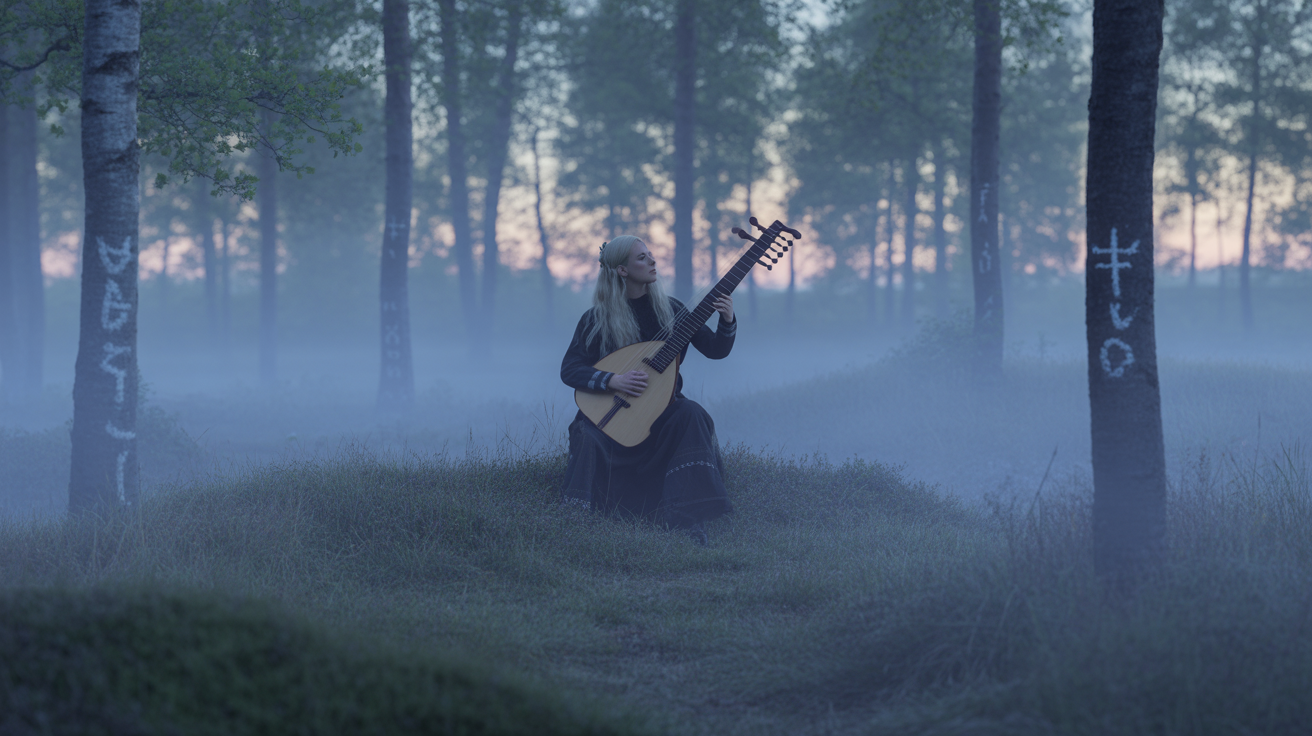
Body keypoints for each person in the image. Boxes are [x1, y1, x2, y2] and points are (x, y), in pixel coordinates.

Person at [559, 235, 737, 545]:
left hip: (661, 414)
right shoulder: (596, 319)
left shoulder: (671, 310)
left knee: (692, 413)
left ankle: (687, 518)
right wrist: (613, 380)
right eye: (642, 257)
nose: (653, 261)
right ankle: (577, 521)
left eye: (650, 254)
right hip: (610, 416)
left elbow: (715, 350)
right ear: (622, 271)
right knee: (587, 436)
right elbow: (570, 369)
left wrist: (727, 320)